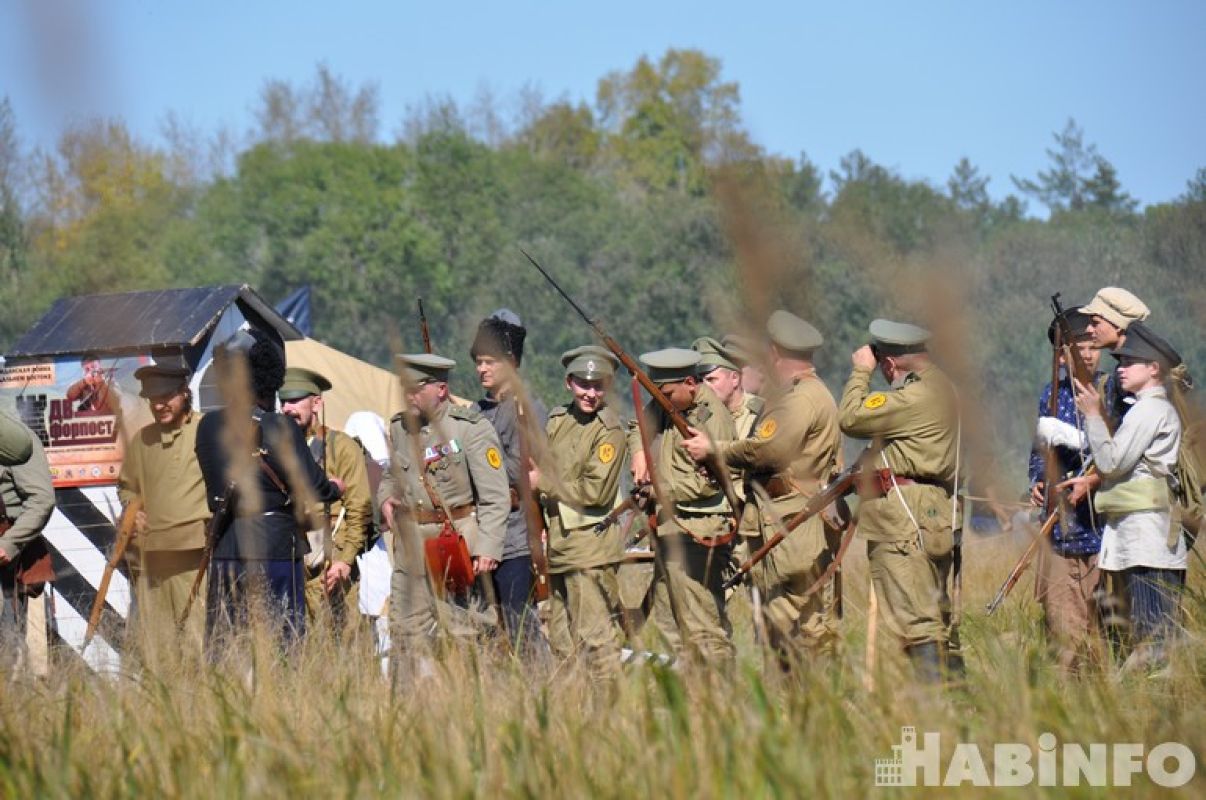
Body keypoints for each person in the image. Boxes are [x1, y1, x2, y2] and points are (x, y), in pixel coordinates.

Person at [685, 311, 842, 665]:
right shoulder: (803, 394)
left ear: (774, 353)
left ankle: (803, 705)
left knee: (796, 622)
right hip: (784, 518)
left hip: (792, 522)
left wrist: (715, 450)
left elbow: (767, 450)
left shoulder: (799, 400)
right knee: (785, 621)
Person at [194, 329, 343, 653]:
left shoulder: (207, 426)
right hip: (275, 547)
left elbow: (213, 494)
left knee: (227, 648)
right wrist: (334, 488)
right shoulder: (279, 425)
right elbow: (313, 487)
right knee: (283, 646)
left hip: (228, 547)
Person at [837, 320, 960, 682]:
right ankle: (952, 702)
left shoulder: (916, 395)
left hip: (907, 513)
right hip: (929, 508)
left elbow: (851, 417)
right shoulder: (939, 386)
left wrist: (861, 373)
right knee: (932, 616)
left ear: (889, 364)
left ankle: (933, 709)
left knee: (918, 621)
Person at [377, 353, 510, 660]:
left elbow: (495, 495)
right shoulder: (400, 428)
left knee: (465, 630)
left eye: (416, 387)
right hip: (411, 543)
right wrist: (386, 496)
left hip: (455, 540)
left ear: (441, 389)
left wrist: (488, 547)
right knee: (406, 630)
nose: (408, 394)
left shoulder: (469, 429)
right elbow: (391, 473)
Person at [1074, 322, 1188, 672]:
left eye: (1130, 361)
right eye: (1120, 361)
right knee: (1149, 631)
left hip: (1147, 540)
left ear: (1154, 368)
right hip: (1140, 536)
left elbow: (1110, 462)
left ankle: (1152, 705)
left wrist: (1093, 415)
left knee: (1154, 634)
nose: (1120, 367)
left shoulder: (1150, 410)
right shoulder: (1145, 408)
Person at [629, 347, 737, 664]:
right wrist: (639, 453)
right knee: (670, 623)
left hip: (698, 533)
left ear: (690, 383)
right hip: (670, 529)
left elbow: (712, 482)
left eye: (665, 393)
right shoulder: (668, 403)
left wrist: (659, 491)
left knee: (704, 628)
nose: (660, 400)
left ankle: (718, 697)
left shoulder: (712, 418)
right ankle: (687, 695)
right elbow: (639, 424)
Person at [530, 346, 629, 676]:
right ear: (568, 383)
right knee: (560, 639)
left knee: (596, 639)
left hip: (590, 548)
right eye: (583, 385)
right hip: (559, 545)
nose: (591, 393)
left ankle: (608, 714)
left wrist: (542, 482)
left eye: (598, 386)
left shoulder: (609, 430)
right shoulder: (558, 420)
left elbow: (595, 490)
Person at [1027, 307, 1107, 674]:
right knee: (1061, 637)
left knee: (1103, 639)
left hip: (1104, 534)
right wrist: (1038, 482)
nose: (1087, 354)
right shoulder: (1051, 395)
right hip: (1059, 535)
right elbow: (1039, 452)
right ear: (1061, 356)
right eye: (1078, 348)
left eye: (1093, 346)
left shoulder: (1113, 389)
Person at [117, 358, 209, 651]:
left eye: (166, 396)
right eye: (153, 399)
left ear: (184, 392)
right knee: (158, 647)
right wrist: (134, 510)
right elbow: (127, 487)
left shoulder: (207, 431)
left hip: (195, 555)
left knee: (197, 641)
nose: (159, 405)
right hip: (151, 557)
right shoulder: (142, 441)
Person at [469, 310, 548, 643]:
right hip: (478, 533)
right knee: (482, 627)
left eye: (490, 361)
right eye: (479, 362)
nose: (482, 369)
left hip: (517, 533)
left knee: (521, 628)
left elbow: (535, 470)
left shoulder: (529, 408)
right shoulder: (474, 413)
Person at [278, 367, 373, 629]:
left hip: (330, 560)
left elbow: (359, 508)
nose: (287, 408)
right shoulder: (275, 447)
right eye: (283, 401)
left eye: (295, 400)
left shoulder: (341, 446)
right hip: (289, 559)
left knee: (338, 643)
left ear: (317, 402)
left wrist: (345, 560)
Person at [0, 418, 54, 673]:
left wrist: (8, 544)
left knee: (7, 647)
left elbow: (41, 500)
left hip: (5, 557)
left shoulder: (14, 440)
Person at [723, 333, 767, 397]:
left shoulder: (780, 404)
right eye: (725, 366)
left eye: (736, 365)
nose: (730, 374)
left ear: (761, 371)